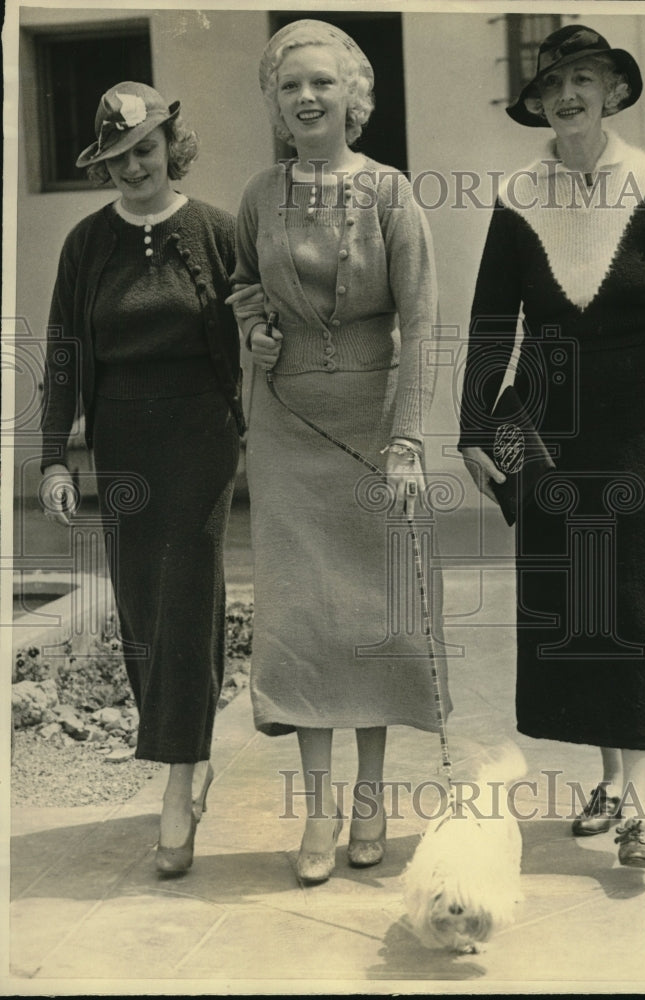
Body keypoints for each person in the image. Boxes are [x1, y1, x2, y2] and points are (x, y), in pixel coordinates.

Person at [459, 25, 645, 868]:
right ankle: (608, 779)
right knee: (578, 598)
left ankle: (638, 803)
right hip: (547, 412)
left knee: (633, 595)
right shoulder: (514, 196)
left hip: (639, 409)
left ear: (611, 89)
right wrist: (473, 427)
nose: (567, 94)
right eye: (552, 84)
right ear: (536, 104)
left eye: (583, 78)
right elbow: (492, 321)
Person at [229, 19, 450, 884]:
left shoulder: (392, 192)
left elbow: (423, 322)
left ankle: (370, 797)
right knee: (303, 620)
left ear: (353, 98)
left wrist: (405, 440)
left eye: (322, 84)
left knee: (370, 616)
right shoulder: (258, 193)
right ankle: (317, 808)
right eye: (290, 88)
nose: (307, 99)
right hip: (284, 423)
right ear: (277, 106)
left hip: (370, 422)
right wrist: (253, 329)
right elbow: (245, 284)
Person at [39, 81, 244, 876]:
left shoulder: (217, 231)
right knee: (142, 606)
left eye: (145, 149)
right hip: (122, 443)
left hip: (200, 437)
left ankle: (176, 779)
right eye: (117, 157)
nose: (133, 166)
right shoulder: (87, 244)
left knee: (189, 594)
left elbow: (254, 329)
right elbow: (64, 354)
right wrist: (56, 457)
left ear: (170, 145)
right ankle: (185, 753)